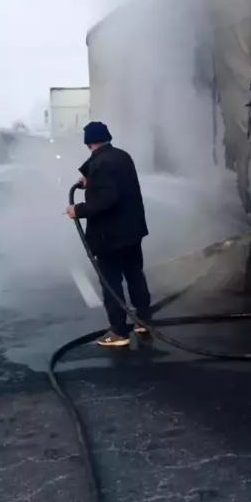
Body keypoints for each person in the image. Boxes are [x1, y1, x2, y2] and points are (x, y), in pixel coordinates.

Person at [66, 121, 151, 348]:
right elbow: (114, 185)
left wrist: (78, 210)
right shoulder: (121, 156)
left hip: (110, 236)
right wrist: (89, 181)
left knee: (111, 283)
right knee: (135, 275)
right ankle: (143, 321)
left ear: (89, 143)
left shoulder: (101, 164)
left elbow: (107, 198)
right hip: (132, 231)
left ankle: (118, 332)